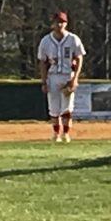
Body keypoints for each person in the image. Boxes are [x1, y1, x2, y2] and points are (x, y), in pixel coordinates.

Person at [37, 11, 86, 143]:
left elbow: (79, 58)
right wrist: (44, 81)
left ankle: (66, 134)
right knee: (53, 109)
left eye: (62, 22)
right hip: (53, 76)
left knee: (67, 108)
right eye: (57, 22)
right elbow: (42, 62)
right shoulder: (46, 41)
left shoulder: (73, 39)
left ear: (66, 23)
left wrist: (75, 78)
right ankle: (56, 134)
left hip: (67, 75)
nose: (60, 24)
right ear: (52, 24)